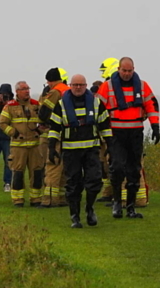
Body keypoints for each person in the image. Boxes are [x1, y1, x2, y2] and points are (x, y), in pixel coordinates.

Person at [96, 57, 160, 219]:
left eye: (129, 71)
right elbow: (97, 108)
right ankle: (117, 203)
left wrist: (155, 126)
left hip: (135, 133)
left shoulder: (142, 86)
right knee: (116, 168)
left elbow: (151, 106)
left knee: (134, 170)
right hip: (115, 134)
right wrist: (98, 130)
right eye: (124, 71)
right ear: (118, 69)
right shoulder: (107, 86)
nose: (126, 74)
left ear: (134, 69)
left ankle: (130, 207)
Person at [48, 74, 112, 228]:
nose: (78, 88)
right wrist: (51, 148)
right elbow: (55, 128)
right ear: (70, 85)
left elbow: (105, 127)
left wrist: (110, 146)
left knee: (95, 182)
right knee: (73, 185)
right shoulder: (61, 105)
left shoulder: (96, 103)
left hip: (91, 150)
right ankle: (75, 216)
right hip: (71, 152)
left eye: (81, 85)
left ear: (85, 86)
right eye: (75, 85)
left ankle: (90, 209)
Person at [0, 81, 44, 207]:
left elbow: (45, 120)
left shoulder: (35, 104)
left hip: (34, 146)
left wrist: (40, 130)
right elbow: (2, 123)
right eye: (24, 89)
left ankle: (36, 199)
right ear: (17, 91)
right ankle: (18, 200)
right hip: (18, 147)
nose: (27, 91)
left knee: (37, 173)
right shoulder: (10, 106)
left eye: (28, 88)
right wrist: (13, 133)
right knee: (18, 173)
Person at [37, 67, 69, 207]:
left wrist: (42, 121)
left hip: (55, 133)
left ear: (50, 81)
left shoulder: (55, 91)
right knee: (62, 167)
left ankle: (49, 200)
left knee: (52, 165)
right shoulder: (67, 90)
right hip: (67, 134)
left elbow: (44, 111)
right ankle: (61, 198)